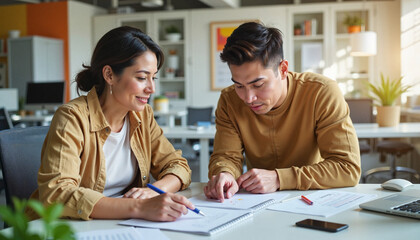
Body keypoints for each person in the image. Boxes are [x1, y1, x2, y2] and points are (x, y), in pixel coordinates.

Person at [26, 26, 195, 222]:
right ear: (109, 75)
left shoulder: (143, 116)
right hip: (62, 227)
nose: (151, 88)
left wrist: (155, 191)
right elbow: (58, 194)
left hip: (117, 223)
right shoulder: (72, 117)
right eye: (141, 77)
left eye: (153, 77)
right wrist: (138, 207)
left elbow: (177, 165)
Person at [204, 22, 361, 202]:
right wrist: (225, 174)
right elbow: (226, 156)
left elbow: (347, 168)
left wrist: (279, 178)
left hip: (313, 200)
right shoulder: (229, 100)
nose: (248, 98)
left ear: (283, 69)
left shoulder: (322, 92)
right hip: (257, 202)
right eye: (239, 85)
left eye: (258, 85)